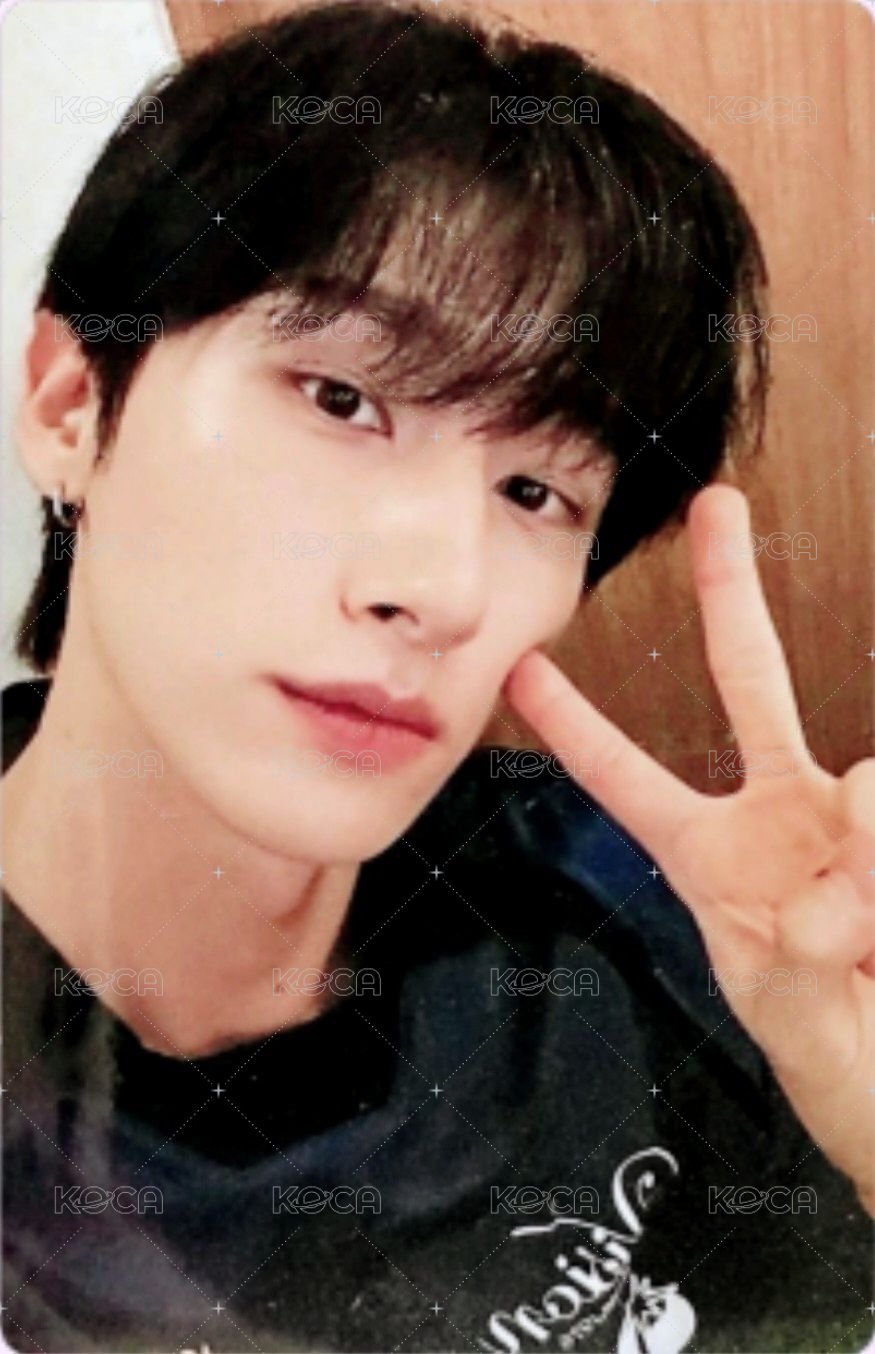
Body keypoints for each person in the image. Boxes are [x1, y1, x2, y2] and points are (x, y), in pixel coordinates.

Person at [2, 3, 872, 1351]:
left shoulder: (645, 910)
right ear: (72, 407)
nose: (446, 589)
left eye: (535, 490)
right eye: (342, 400)